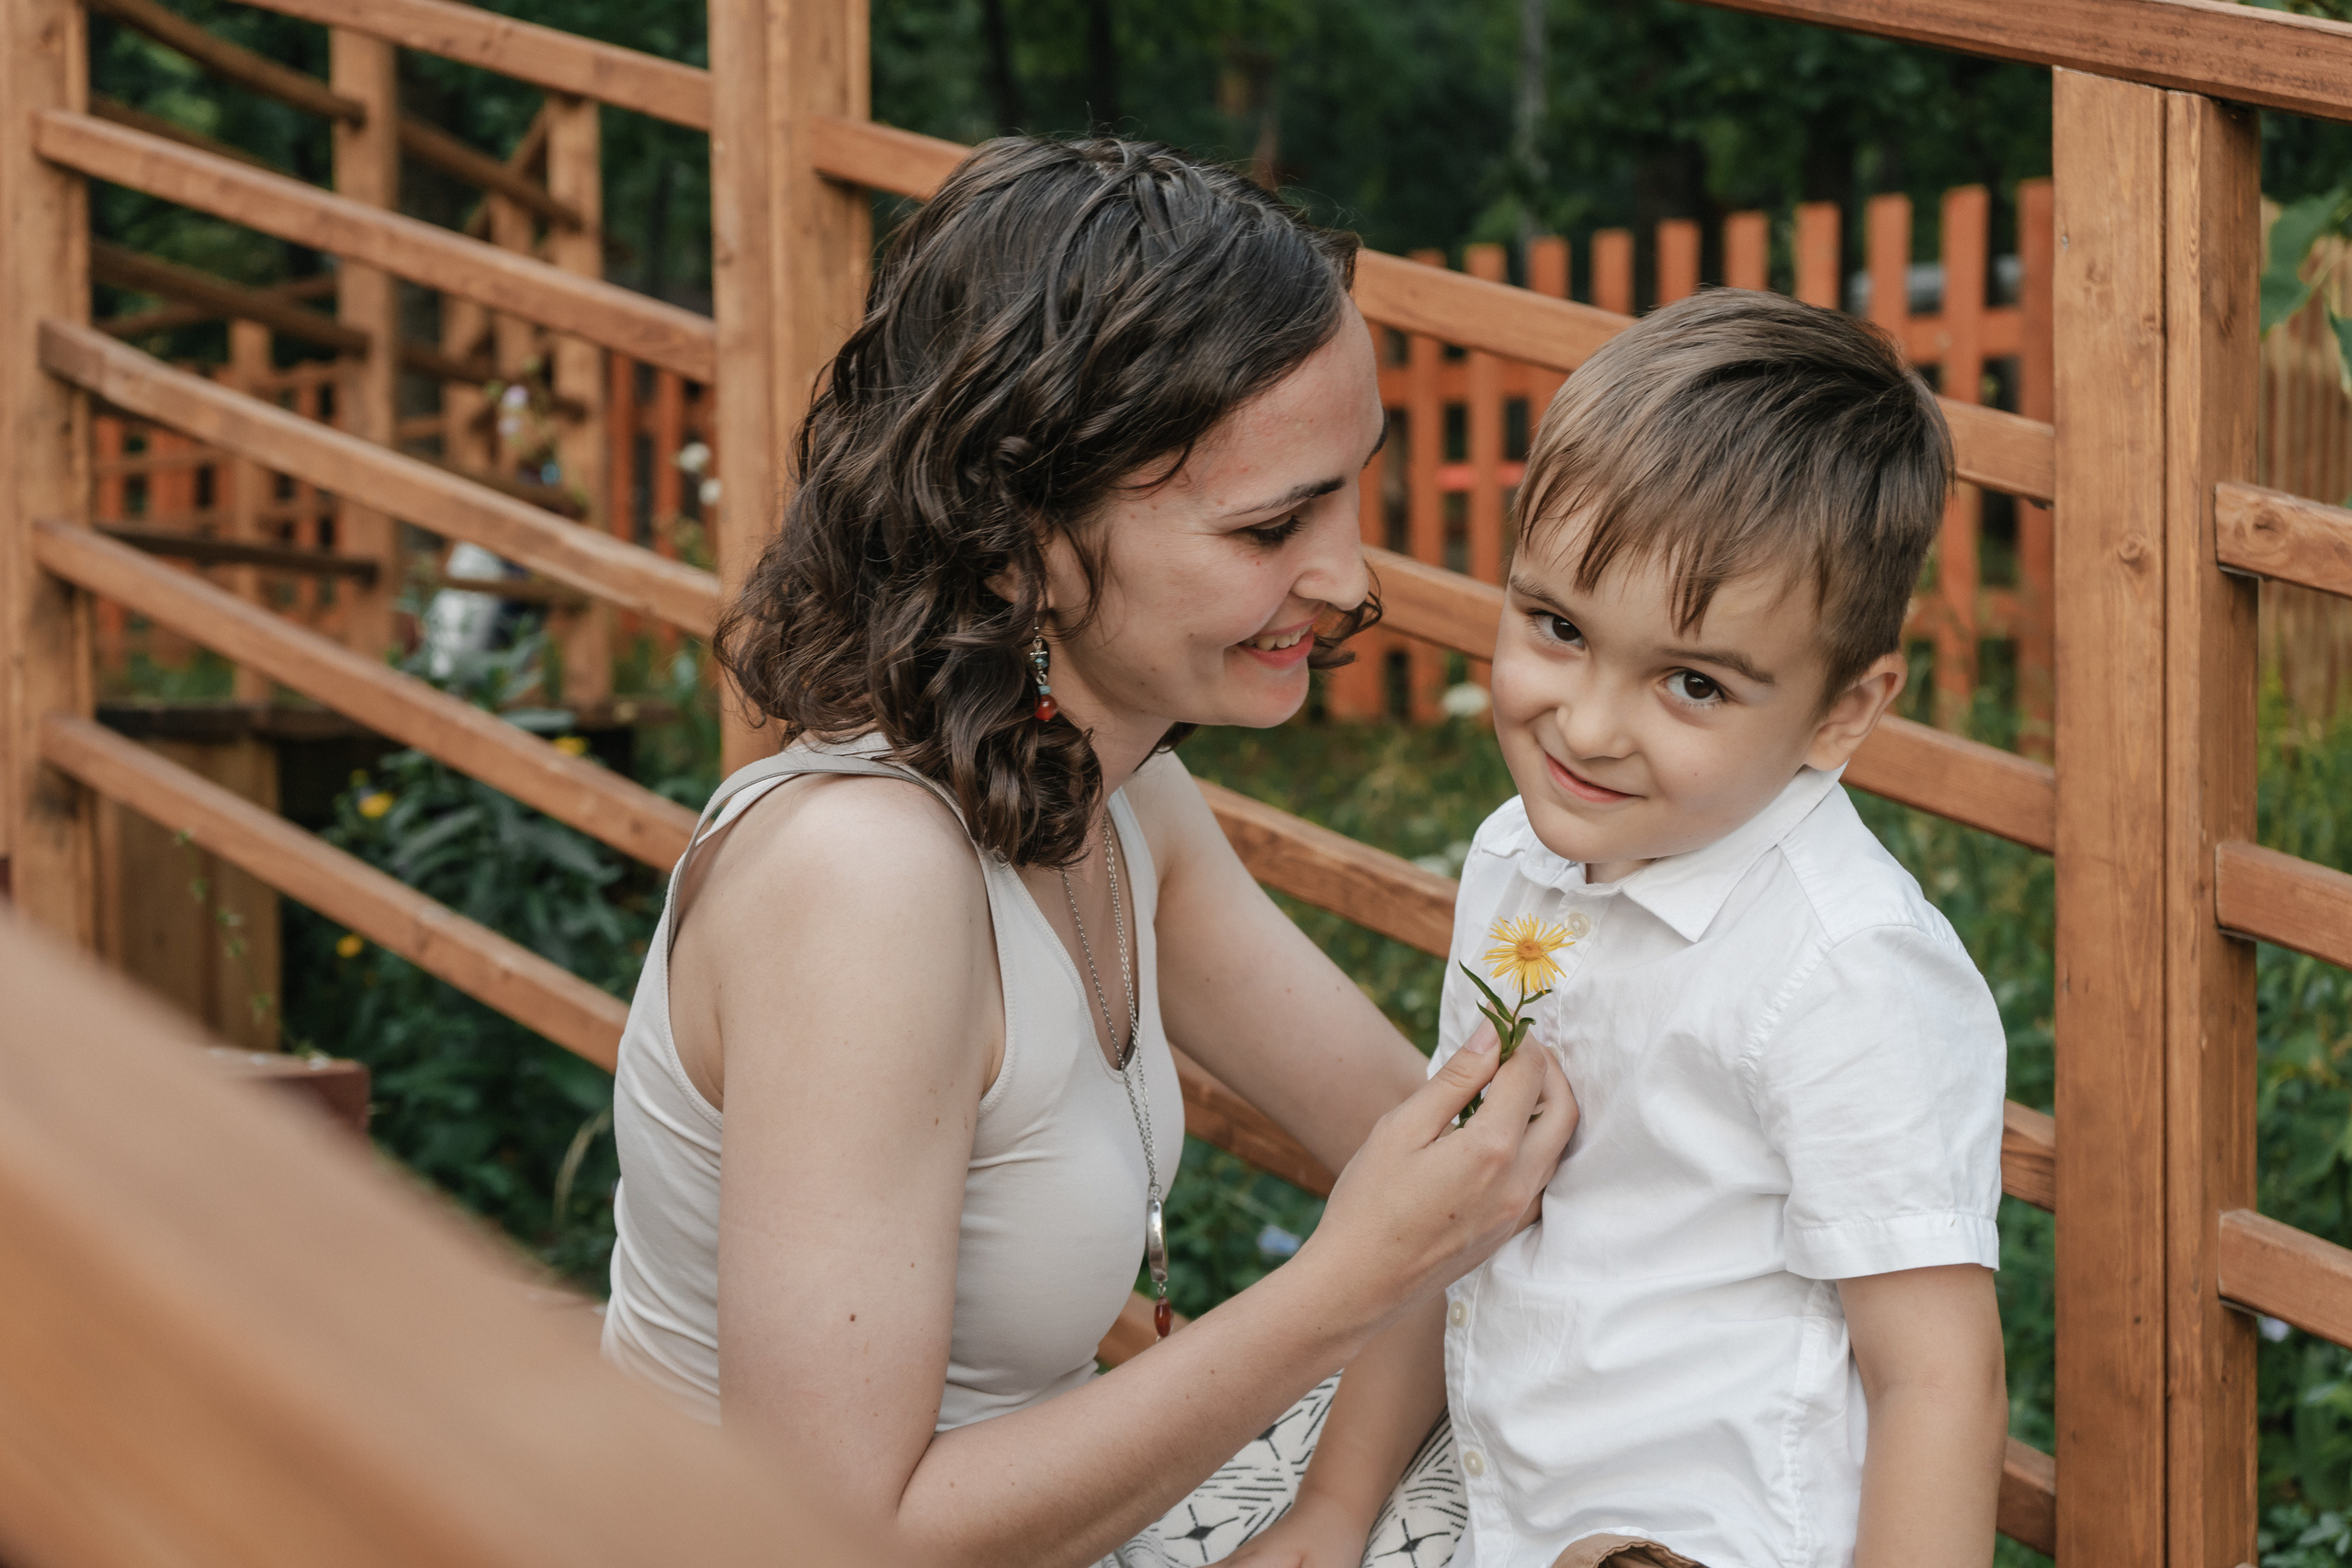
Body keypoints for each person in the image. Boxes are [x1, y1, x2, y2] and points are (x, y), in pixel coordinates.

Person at [596, 135, 1577, 1568]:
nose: (1351, 579)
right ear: (1021, 536)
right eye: (1271, 524)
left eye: (1348, 495)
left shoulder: (1121, 803)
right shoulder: (860, 883)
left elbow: (1428, 1143)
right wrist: (1340, 1288)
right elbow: (826, 1540)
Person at [1232, 290, 2010, 1568]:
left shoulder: (1844, 971)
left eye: (1693, 682)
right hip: (1505, 1505)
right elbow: (1450, 1220)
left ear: (1843, 711)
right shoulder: (1515, 859)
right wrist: (1329, 1511)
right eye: (1558, 628)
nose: (1587, 726)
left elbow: (1936, 1379)